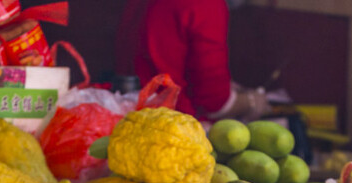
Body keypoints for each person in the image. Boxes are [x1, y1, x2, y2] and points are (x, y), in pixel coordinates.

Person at [115, 0, 269, 121]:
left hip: (132, 113)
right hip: (175, 125)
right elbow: (214, 102)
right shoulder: (206, 4)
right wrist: (252, 102)